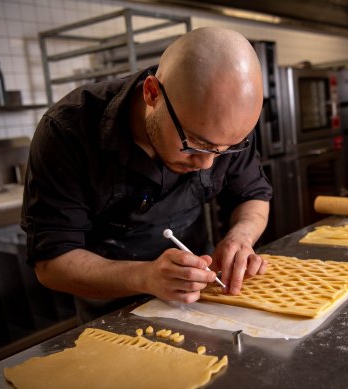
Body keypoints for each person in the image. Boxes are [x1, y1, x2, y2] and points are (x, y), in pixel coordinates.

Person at [22, 27, 273, 323]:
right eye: (195, 143)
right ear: (152, 93)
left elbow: (253, 195)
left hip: (202, 300)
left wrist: (240, 237)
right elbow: (51, 264)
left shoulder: (227, 125)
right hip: (111, 316)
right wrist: (146, 277)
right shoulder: (68, 133)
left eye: (225, 149)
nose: (207, 163)